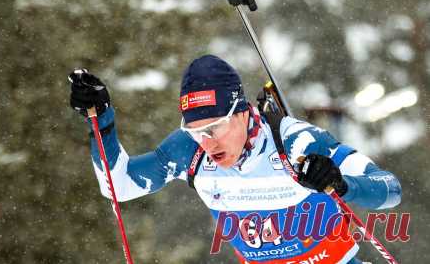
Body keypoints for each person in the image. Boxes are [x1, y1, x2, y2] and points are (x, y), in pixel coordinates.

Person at [68, 55, 402, 264]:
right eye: (197, 131)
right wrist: (102, 120)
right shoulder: (190, 149)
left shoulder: (295, 140)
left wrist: (341, 185)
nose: (207, 141)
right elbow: (120, 185)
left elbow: (390, 189)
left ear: (242, 113)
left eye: (214, 127)